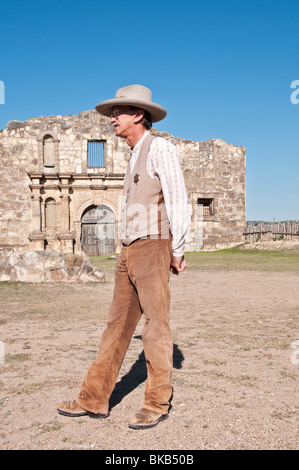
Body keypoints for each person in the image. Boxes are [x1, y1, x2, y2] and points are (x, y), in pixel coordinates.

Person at [57, 84, 190, 429]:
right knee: (115, 328)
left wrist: (178, 248)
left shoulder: (160, 148)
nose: (112, 117)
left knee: (156, 326)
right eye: (113, 112)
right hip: (128, 251)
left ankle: (157, 402)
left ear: (139, 115)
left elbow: (177, 198)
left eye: (120, 111)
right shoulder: (133, 154)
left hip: (153, 246)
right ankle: (94, 398)